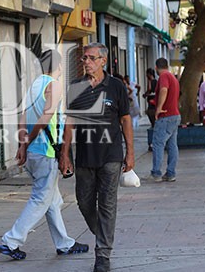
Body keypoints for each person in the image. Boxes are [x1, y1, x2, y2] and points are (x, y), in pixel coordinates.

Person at [0, 50, 88, 260]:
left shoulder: (33, 86)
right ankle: (11, 241)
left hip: (33, 154)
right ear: (59, 66)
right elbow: (47, 116)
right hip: (45, 152)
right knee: (40, 199)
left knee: (52, 200)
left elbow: (22, 116)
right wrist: (29, 139)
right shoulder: (53, 86)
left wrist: (22, 145)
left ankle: (64, 243)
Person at [59, 42, 135, 272]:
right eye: (84, 59)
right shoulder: (76, 87)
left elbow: (125, 120)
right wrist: (65, 154)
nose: (86, 62)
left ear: (103, 60)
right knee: (84, 202)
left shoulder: (116, 87)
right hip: (84, 156)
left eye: (91, 58)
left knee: (108, 204)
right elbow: (70, 122)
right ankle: (102, 230)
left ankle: (103, 254)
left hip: (111, 155)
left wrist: (130, 152)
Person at [146, 58, 180, 182]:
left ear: (156, 67)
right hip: (175, 115)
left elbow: (164, 90)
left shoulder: (164, 76)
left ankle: (156, 172)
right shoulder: (173, 78)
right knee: (172, 145)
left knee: (158, 143)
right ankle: (171, 173)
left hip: (165, 116)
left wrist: (159, 108)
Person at [143, 68, 158, 152]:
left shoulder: (151, 82)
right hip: (154, 106)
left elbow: (149, 89)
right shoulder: (156, 82)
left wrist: (145, 94)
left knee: (154, 125)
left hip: (152, 107)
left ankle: (153, 142)